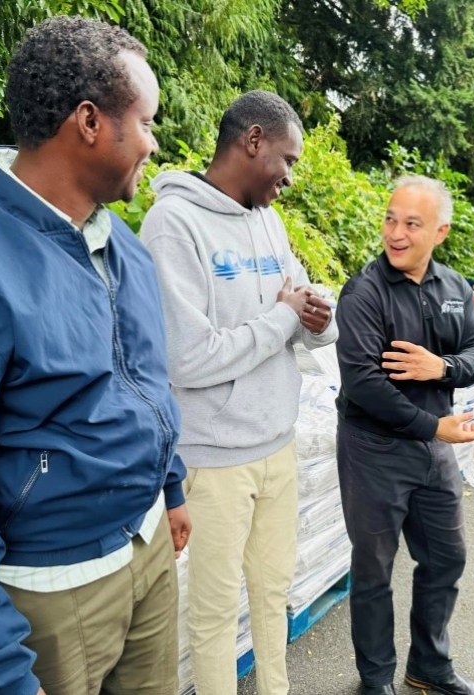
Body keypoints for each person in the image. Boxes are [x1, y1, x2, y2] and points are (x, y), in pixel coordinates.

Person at [0, 16, 190, 695]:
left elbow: (144, 380)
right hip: (52, 593)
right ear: (90, 122)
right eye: (147, 121)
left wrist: (171, 485)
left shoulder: (121, 244)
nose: (155, 143)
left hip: (148, 550)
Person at [140, 90, 338, 695]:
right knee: (216, 613)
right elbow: (186, 357)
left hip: (275, 446)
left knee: (273, 594)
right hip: (216, 459)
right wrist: (281, 318)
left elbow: (298, 302)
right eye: (288, 159)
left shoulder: (269, 220)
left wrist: (316, 317)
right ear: (253, 141)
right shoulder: (173, 224)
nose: (290, 177)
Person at [335, 175, 474, 695]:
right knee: (375, 570)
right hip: (375, 448)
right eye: (390, 219)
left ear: (440, 232)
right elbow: (364, 384)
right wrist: (435, 426)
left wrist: (440, 368)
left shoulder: (454, 288)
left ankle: (429, 667)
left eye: (411, 223)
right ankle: (375, 680)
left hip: (435, 448)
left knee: (446, 558)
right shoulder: (364, 292)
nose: (395, 233)